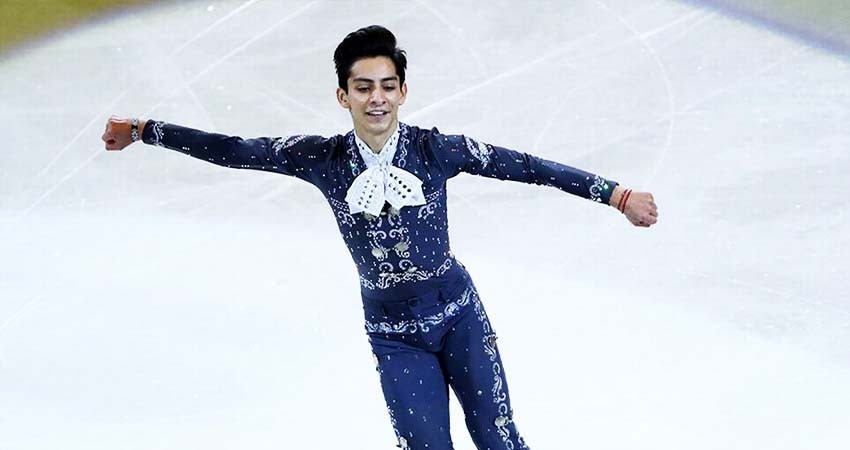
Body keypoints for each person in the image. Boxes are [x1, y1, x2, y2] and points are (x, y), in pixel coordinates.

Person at [102, 25, 658, 450]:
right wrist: (148, 131)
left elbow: (527, 165)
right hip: (393, 333)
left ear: (404, 90)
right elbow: (237, 150)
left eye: (387, 86)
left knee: (499, 439)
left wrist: (614, 193)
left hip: (458, 314)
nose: (377, 99)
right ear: (342, 95)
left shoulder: (437, 150)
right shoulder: (320, 158)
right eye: (363, 87)